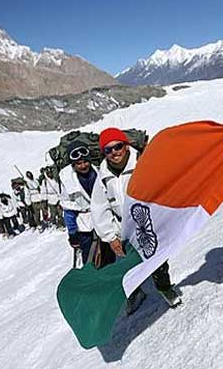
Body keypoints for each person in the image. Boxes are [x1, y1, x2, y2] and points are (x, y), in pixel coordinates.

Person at [91, 128, 181, 314]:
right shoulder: (103, 175)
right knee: (129, 264)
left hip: (147, 222)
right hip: (123, 230)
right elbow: (99, 207)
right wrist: (110, 236)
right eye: (108, 150)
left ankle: (164, 287)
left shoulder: (142, 162)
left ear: (126, 146)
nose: (114, 152)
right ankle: (136, 292)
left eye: (117, 146)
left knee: (157, 260)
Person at [58, 140, 98, 265]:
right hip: (84, 226)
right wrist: (72, 233)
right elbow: (69, 210)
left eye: (85, 162)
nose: (83, 166)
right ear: (73, 165)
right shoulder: (67, 180)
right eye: (78, 163)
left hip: (103, 221)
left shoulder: (98, 172)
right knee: (89, 257)